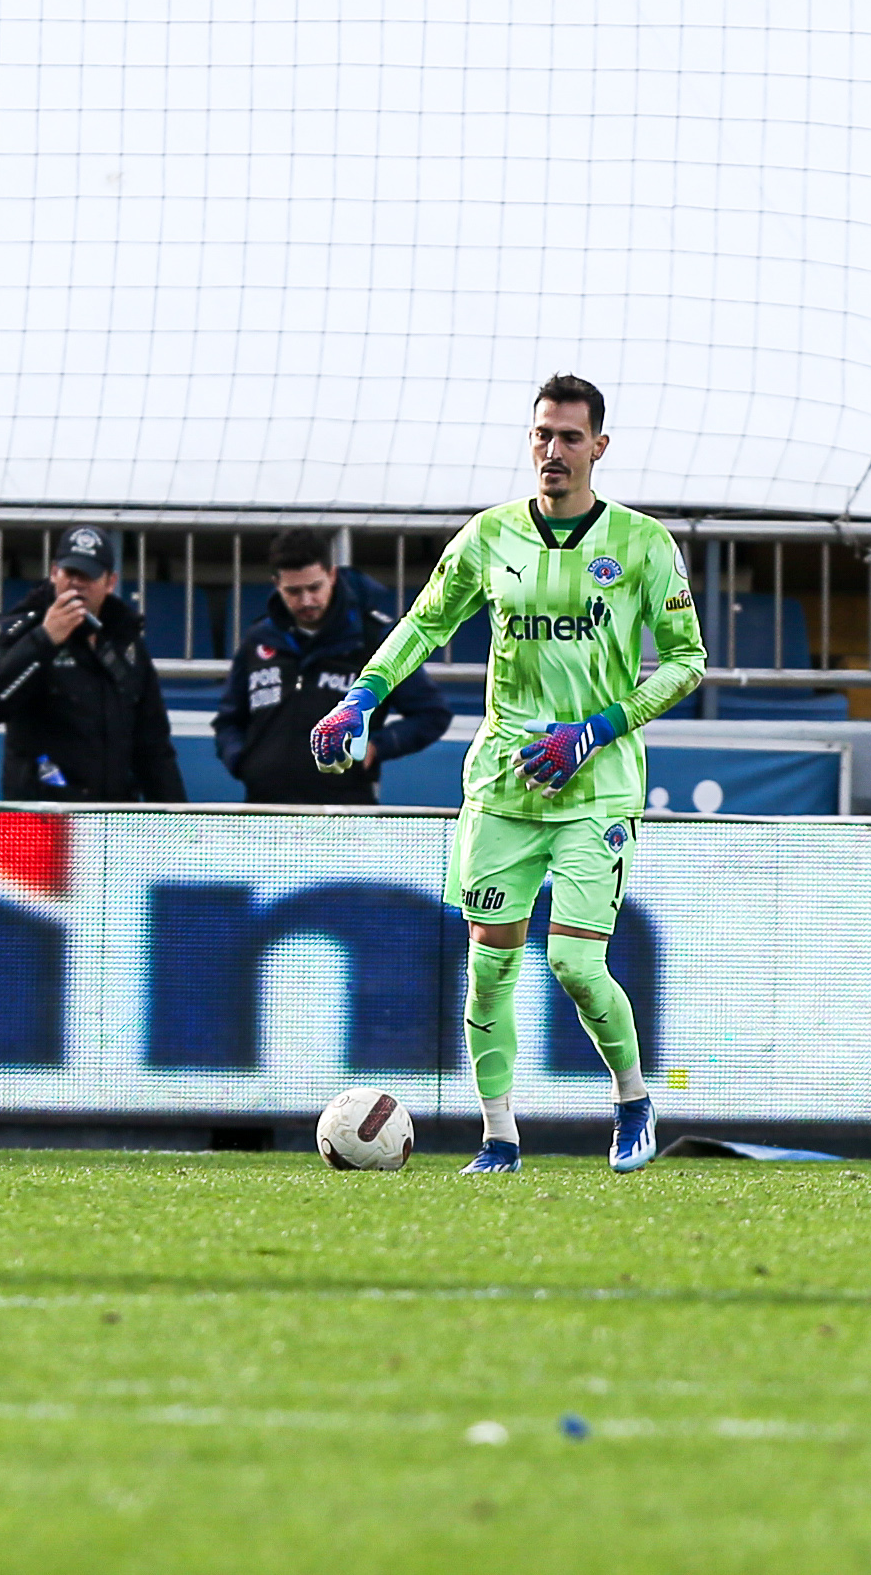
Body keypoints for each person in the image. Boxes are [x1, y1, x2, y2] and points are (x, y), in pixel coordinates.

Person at [310, 375, 706, 1174]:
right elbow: (424, 623)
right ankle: (498, 1137)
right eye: (541, 435)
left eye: (569, 437)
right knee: (488, 967)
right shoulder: (489, 536)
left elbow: (687, 662)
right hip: (502, 785)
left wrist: (594, 730)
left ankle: (632, 1099)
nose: (552, 450)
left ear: (598, 446)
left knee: (574, 963)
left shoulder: (641, 543)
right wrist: (361, 697)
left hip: (596, 785)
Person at [213, 528, 451, 804]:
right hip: (263, 804)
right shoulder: (259, 638)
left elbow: (432, 714)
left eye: (314, 588)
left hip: (347, 806)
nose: (306, 601)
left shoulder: (373, 638)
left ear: (332, 575)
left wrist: (376, 747)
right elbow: (229, 720)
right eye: (293, 591)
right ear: (277, 584)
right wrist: (243, 761)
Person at [0, 525, 186, 802]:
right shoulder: (28, 629)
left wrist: (177, 817)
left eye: (88, 575)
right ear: (54, 573)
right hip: (43, 814)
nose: (76, 583)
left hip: (113, 814)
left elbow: (153, 745)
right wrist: (45, 639)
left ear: (110, 582)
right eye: (70, 573)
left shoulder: (125, 639)